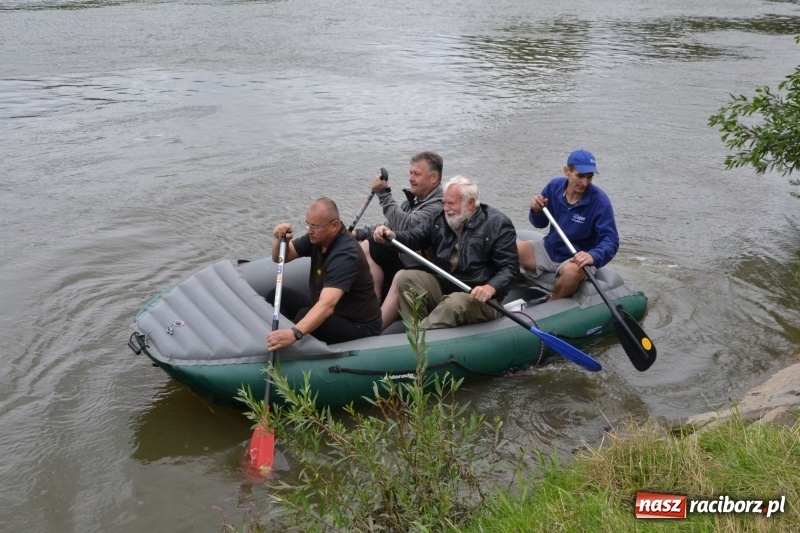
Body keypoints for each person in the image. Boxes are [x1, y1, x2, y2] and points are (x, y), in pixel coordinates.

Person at [373, 175, 519, 330]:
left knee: (454, 302)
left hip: (481, 299)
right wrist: (392, 237)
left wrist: (490, 287)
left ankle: (421, 341)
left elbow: (510, 268)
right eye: (444, 203)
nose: (446, 208)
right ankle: (415, 331)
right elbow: (414, 236)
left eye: (451, 203)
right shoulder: (439, 219)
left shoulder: (498, 224)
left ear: (470, 204)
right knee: (407, 278)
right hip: (446, 288)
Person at [266, 198, 382, 350]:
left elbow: (327, 305)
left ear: (334, 226)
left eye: (315, 226)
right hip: (337, 312)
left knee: (303, 315)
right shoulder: (316, 238)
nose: (309, 230)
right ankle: (277, 338)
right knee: (278, 295)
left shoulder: (346, 255)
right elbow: (281, 258)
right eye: (307, 224)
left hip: (359, 326)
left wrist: (295, 333)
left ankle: (290, 343)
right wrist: (281, 241)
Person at [353, 151, 444, 329]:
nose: (411, 178)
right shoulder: (414, 200)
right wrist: (356, 234)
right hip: (407, 259)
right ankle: (368, 312)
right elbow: (389, 226)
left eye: (417, 174)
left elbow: (406, 225)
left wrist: (383, 193)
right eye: (410, 173)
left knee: (400, 276)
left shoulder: (438, 205)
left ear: (434, 178)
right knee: (368, 244)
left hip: (428, 269)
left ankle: (374, 329)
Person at [518, 149, 619, 300]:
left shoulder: (600, 202)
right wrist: (536, 211)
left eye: (589, 177)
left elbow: (611, 239)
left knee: (571, 273)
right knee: (507, 248)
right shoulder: (554, 187)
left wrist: (593, 255)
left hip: (576, 258)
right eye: (580, 176)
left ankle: (551, 306)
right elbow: (539, 223)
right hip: (549, 249)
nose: (584, 183)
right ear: (567, 171)